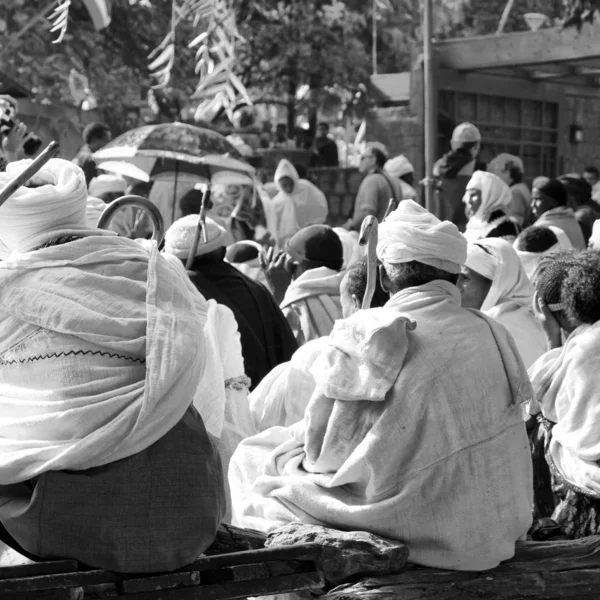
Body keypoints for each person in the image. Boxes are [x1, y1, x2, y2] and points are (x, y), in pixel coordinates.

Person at [230, 199, 533, 571]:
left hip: (416, 529)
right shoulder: (490, 330)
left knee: (253, 459)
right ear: (456, 276)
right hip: (493, 529)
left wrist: (290, 449)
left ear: (386, 278)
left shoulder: (371, 332)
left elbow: (324, 453)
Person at [0, 158, 226, 572]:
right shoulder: (158, 269)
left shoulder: (8, 287)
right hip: (191, 509)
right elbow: (207, 400)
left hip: (72, 525)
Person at [248, 260, 387, 434]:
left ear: (355, 304)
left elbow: (296, 425)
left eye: (342, 305)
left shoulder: (317, 355)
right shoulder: (411, 346)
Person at [164, 215, 297, 392]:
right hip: (267, 401)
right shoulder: (257, 288)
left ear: (174, 259)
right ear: (222, 252)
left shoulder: (179, 292)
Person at [527, 250, 600, 538]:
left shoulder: (585, 347)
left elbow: (535, 402)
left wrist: (549, 338)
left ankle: (554, 521)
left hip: (591, 467)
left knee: (540, 429)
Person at [460, 238, 546, 368]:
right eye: (456, 278)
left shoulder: (497, 328)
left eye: (465, 278)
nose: (456, 286)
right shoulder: (534, 317)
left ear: (495, 284)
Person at [265, 224, 345, 345]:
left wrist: (280, 293)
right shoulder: (352, 290)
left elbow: (279, 346)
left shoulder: (296, 306)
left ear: (298, 265)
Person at [262, 159, 328, 249]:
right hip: (285, 244)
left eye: (291, 184)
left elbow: (319, 205)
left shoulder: (307, 189)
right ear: (278, 185)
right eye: (284, 186)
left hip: (309, 237)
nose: (289, 188)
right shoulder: (277, 202)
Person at [432, 122, 486, 230]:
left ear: (452, 143)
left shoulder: (436, 168)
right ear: (476, 146)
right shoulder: (481, 170)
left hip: (438, 230)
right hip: (467, 232)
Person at [343, 142, 403, 231]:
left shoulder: (371, 180)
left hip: (373, 240)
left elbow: (366, 215)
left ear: (373, 159)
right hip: (390, 237)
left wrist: (348, 227)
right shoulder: (395, 182)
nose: (360, 161)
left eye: (363, 158)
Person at [463, 170, 520, 243]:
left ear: (489, 196)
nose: (467, 200)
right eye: (467, 195)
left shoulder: (505, 225)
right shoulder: (475, 222)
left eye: (473, 195)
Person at [531, 178, 586, 250]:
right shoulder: (572, 220)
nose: (532, 204)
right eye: (533, 199)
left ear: (554, 202)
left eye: (538, 199)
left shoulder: (543, 227)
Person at [488, 153, 531, 227]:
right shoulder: (518, 188)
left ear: (507, 172)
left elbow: (516, 221)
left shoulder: (515, 192)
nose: (493, 176)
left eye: (495, 171)